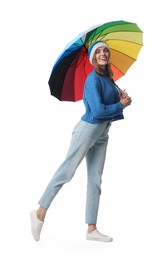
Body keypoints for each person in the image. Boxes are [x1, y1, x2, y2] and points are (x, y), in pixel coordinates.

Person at [30, 40, 132, 242]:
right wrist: (120, 105)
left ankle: (91, 229)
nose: (103, 53)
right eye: (98, 51)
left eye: (105, 51)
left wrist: (122, 100)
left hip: (103, 132)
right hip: (88, 130)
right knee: (67, 171)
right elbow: (97, 111)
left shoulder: (108, 78)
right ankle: (39, 212)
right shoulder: (93, 79)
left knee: (95, 179)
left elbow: (109, 109)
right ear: (93, 57)